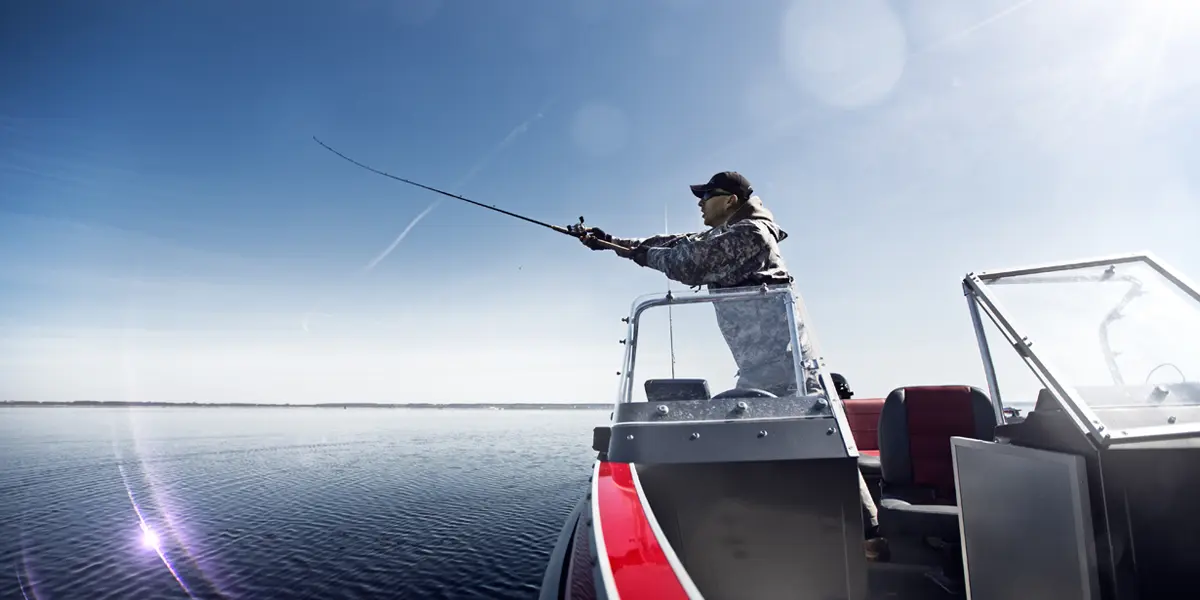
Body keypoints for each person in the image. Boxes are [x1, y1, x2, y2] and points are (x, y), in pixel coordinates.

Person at [579, 170, 889, 561]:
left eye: (707, 195)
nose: (699, 203)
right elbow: (669, 243)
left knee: (821, 447)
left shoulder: (753, 234)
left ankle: (868, 536)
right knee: (792, 447)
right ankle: (815, 534)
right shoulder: (726, 234)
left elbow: (689, 262)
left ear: (730, 200)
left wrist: (639, 254)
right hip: (760, 366)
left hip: (788, 365)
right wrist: (609, 243)